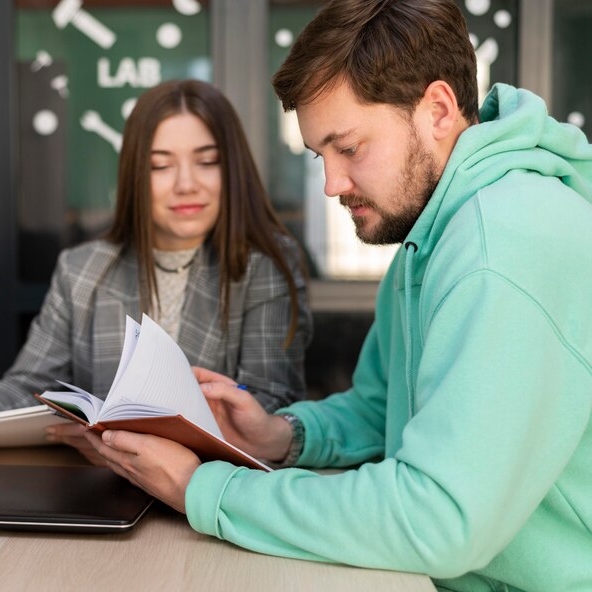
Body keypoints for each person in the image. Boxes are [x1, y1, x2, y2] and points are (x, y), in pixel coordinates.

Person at [84, 1, 592, 590]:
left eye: (348, 148)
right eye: (320, 155)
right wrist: (282, 436)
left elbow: (440, 518)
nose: (330, 184)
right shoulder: (434, 233)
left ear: (438, 110)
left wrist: (204, 490)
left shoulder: (497, 249)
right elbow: (386, 410)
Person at [0, 79, 312, 460]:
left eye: (207, 161)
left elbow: (270, 403)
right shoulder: (82, 269)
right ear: (135, 175)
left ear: (232, 170)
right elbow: (29, 384)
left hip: (208, 488)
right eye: (160, 165)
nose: (186, 184)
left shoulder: (265, 266)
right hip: (95, 487)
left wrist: (129, 442)